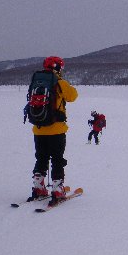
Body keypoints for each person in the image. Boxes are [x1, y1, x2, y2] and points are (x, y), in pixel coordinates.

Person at [28, 56, 78, 202]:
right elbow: (73, 96)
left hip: (38, 129)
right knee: (57, 159)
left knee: (41, 157)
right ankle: (57, 189)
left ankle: (38, 186)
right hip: (56, 129)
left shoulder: (36, 81)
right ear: (58, 68)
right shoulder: (59, 82)